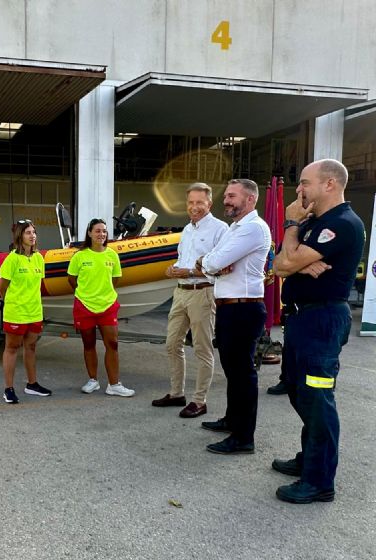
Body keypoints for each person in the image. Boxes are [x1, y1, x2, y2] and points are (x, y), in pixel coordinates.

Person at [271, 159, 364, 504]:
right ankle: (310, 460)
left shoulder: (341, 223)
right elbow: (280, 264)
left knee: (318, 399)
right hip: (300, 320)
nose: (299, 191)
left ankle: (319, 481)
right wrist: (296, 257)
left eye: (305, 183)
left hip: (322, 321)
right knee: (298, 392)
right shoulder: (316, 222)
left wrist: (292, 226)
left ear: (329, 184)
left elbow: (285, 262)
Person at [197, 179, 271, 454]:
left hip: (244, 308)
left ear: (250, 199)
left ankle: (243, 438)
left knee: (242, 374)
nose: (225, 200)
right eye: (226, 195)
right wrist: (207, 263)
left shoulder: (253, 228)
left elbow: (213, 262)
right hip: (229, 307)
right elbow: (211, 263)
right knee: (232, 370)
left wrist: (209, 263)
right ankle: (232, 420)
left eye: (232, 196)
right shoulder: (234, 228)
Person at [152, 183, 227, 418]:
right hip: (181, 292)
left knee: (202, 349)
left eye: (199, 203)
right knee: (172, 344)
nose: (194, 207)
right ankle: (177, 394)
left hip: (202, 292)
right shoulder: (187, 229)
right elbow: (183, 260)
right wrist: (172, 270)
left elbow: (222, 267)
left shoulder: (220, 229)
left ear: (209, 204)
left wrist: (190, 273)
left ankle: (199, 400)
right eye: (190, 203)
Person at [67, 218, 134, 397]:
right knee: (88, 344)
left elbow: (115, 279)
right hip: (84, 306)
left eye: (104, 231)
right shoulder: (79, 256)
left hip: (107, 305)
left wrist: (103, 292)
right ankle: (93, 380)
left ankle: (114, 384)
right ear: (89, 233)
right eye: (97, 231)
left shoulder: (112, 255)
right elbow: (72, 280)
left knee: (112, 344)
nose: (101, 234)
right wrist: (87, 293)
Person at [0, 219, 52, 403]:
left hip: (34, 311)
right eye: (28, 232)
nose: (32, 236)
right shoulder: (12, 259)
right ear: (19, 236)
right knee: (12, 348)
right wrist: (12, 303)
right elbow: (2, 287)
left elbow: (37, 287)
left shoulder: (38, 258)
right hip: (16, 312)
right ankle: (8, 389)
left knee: (31, 347)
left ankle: (32, 384)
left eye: (34, 232)